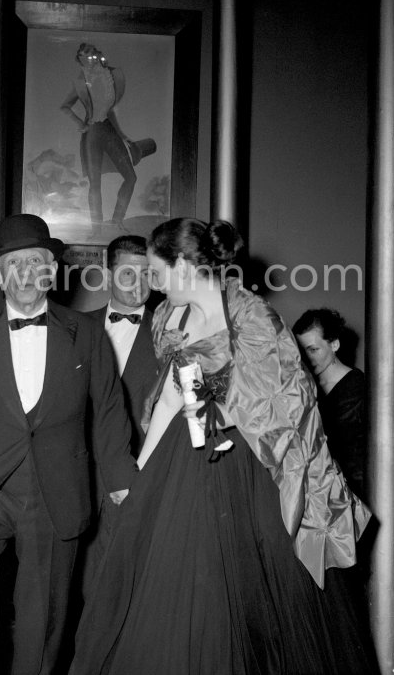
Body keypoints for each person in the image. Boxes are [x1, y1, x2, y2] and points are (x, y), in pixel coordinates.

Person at [70, 218, 377, 675]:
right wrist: (141, 469)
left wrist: (214, 413)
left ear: (185, 267)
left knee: (256, 588)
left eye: (157, 271)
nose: (153, 283)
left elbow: (279, 396)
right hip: (183, 458)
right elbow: (172, 397)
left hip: (247, 460)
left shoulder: (250, 314)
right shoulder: (168, 317)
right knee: (179, 579)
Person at [0, 214, 137, 675]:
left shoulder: (87, 333)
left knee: (45, 610)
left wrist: (121, 481)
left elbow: (109, 412)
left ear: (52, 271)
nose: (24, 274)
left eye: (35, 262)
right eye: (13, 264)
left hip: (54, 489)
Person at [89, 235, 159, 456]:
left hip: (142, 463)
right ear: (109, 277)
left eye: (146, 274)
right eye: (128, 273)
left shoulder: (168, 333)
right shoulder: (74, 328)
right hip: (85, 466)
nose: (138, 284)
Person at [60, 43, 138, 238]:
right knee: (95, 184)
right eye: (84, 58)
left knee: (131, 176)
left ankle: (117, 220)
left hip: (108, 129)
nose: (90, 60)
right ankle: (96, 230)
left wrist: (122, 135)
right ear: (80, 60)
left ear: (98, 55)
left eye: (92, 56)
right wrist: (80, 123)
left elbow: (111, 110)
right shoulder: (80, 82)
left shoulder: (113, 74)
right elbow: (65, 106)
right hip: (93, 132)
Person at [293, 308, 366, 499]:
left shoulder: (359, 387)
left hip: (355, 495)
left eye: (313, 349)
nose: (307, 358)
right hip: (320, 492)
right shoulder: (305, 386)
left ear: (334, 344)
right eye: (302, 351)